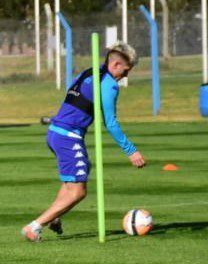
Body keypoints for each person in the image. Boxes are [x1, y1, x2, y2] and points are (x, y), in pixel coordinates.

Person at [22, 43, 147, 242]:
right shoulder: (108, 84)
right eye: (126, 70)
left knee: (77, 176)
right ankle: (34, 227)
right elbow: (110, 122)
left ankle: (56, 216)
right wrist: (131, 150)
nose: (126, 76)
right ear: (115, 64)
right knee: (79, 191)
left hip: (55, 132)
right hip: (68, 135)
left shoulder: (88, 73)